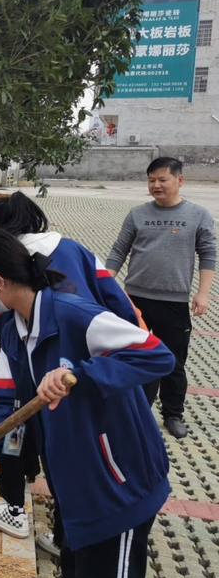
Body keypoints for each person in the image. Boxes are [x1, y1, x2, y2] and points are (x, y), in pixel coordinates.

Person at [0, 229, 173, 578]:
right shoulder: (12, 329)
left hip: (118, 483)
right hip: (75, 481)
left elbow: (156, 355)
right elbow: (7, 402)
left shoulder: (74, 315)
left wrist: (80, 375)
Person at [0, 192, 140, 539]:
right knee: (56, 447)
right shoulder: (72, 249)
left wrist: (14, 378)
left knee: (22, 432)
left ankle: (25, 513)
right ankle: (66, 534)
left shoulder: (23, 267)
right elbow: (117, 308)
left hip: (73, 377)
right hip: (102, 366)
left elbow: (50, 332)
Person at [106, 157, 215, 439]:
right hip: (134, 301)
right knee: (133, 358)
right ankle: (135, 411)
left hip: (174, 302)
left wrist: (203, 293)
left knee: (172, 361)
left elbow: (209, 254)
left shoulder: (198, 215)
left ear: (179, 180)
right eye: (151, 180)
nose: (156, 185)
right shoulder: (137, 214)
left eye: (162, 179)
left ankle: (173, 415)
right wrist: (104, 284)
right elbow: (119, 250)